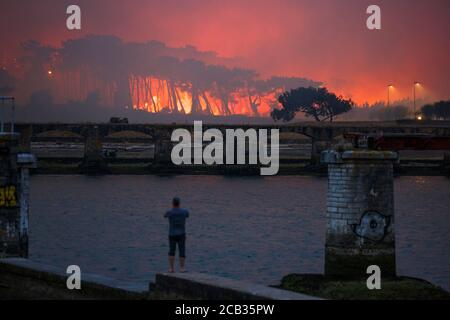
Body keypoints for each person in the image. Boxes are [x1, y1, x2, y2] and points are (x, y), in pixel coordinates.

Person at [164, 197, 189, 273]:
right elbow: (187, 215)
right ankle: (182, 268)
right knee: (182, 250)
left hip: (172, 234)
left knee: (171, 251)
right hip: (181, 234)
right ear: (179, 203)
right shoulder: (184, 211)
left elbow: (165, 216)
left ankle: (171, 269)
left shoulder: (169, 212)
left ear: (172, 203)